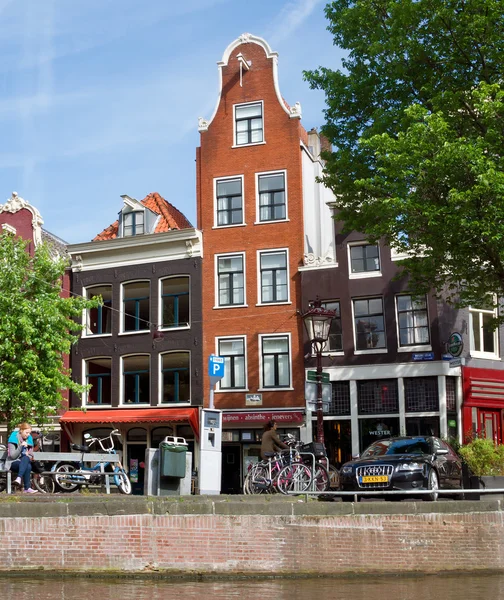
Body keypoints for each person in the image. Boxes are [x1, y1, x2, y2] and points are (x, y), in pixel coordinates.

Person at [6, 423, 38, 494]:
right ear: (21, 431)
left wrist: (28, 454)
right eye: (26, 432)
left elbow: (31, 454)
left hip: (24, 462)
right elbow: (12, 456)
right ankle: (27, 488)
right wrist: (20, 446)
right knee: (27, 465)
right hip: (12, 463)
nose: (28, 435)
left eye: (29, 433)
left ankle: (19, 478)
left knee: (27, 462)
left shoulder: (28, 439)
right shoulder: (13, 438)